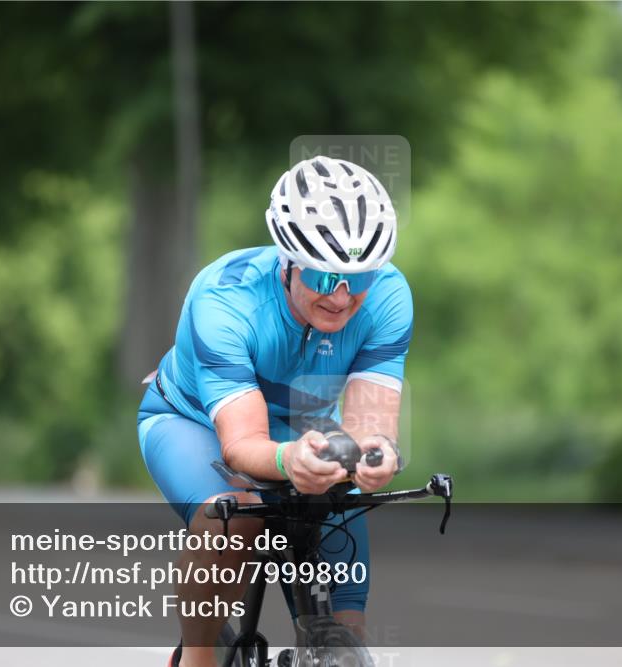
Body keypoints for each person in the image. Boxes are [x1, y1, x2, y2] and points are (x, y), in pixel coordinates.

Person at [137, 156, 410, 667]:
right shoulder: (224, 298)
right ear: (288, 261)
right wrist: (288, 462)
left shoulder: (390, 297)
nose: (344, 296)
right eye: (326, 277)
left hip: (307, 432)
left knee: (346, 630)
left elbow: (372, 425)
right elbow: (241, 445)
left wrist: (376, 453)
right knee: (234, 517)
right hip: (193, 421)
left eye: (361, 276)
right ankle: (197, 659)